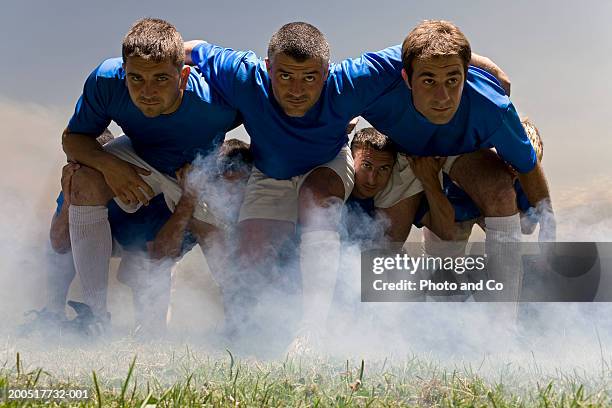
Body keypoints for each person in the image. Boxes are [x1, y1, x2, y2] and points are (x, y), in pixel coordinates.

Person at [184, 22, 509, 352]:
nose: (297, 89)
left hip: (328, 164)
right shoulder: (242, 74)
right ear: (268, 69)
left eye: (309, 77)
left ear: (326, 72)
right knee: (252, 257)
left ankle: (312, 332)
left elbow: (419, 51)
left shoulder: (349, 81)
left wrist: (480, 63)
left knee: (317, 195)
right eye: (285, 76)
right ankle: (245, 330)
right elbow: (189, 47)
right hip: (272, 175)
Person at [61, 18, 242, 330]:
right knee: (82, 181)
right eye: (136, 79)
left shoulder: (218, 100)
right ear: (124, 72)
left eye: (160, 79)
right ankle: (93, 318)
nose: (146, 92)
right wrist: (109, 166)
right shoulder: (107, 80)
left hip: (195, 170)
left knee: (214, 235)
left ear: (183, 76)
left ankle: (243, 322)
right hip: (139, 156)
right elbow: (72, 138)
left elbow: (269, 115)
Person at [361, 20, 555, 304]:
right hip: (448, 215)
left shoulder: (516, 180)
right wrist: (431, 181)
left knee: (505, 217)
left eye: (453, 80)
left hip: (472, 212)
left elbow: (526, 226)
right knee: (445, 287)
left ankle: (501, 326)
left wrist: (545, 234)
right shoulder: (463, 152)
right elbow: (445, 227)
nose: (442, 95)